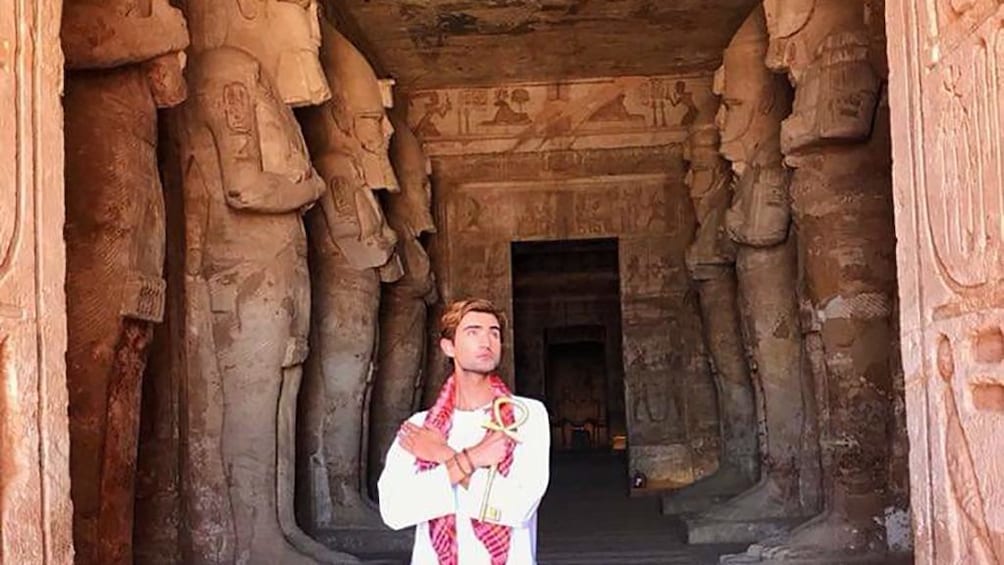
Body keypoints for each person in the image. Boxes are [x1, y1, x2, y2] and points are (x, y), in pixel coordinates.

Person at [378, 298, 550, 564]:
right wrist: (472, 460)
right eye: (473, 332)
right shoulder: (420, 427)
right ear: (449, 346)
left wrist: (443, 455)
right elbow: (395, 511)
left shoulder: (526, 416)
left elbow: (518, 506)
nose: (486, 341)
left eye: (494, 333)